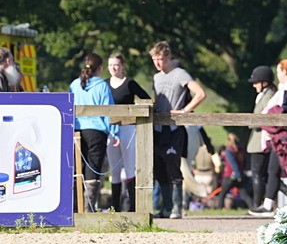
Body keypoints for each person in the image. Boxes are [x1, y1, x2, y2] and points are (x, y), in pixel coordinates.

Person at [149, 41, 207, 219]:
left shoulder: (180, 74)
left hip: (174, 128)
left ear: (167, 57)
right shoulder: (156, 77)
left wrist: (184, 111)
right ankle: (165, 208)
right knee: (159, 169)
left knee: (173, 167)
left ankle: (176, 207)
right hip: (158, 127)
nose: (158, 63)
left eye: (160, 59)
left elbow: (200, 93)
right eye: (154, 59)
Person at [250, 59, 287, 215]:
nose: (278, 75)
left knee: (286, 170)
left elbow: (285, 110)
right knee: (275, 170)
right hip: (286, 134)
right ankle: (269, 204)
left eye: (279, 71)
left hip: (284, 135)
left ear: (283, 72)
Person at [69, 53, 118, 212]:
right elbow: (109, 111)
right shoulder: (102, 86)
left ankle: (75, 206)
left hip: (77, 130)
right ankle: (89, 207)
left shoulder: (75, 84)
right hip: (96, 131)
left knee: (77, 167)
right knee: (93, 168)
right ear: (100, 68)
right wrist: (114, 132)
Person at [106, 53, 151, 212]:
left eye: (116, 64)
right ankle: (115, 208)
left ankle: (133, 207)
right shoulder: (105, 84)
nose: (113, 68)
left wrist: (136, 112)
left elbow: (146, 99)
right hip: (111, 130)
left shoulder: (129, 83)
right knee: (114, 170)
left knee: (130, 168)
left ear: (122, 66)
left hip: (128, 128)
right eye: (111, 65)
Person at [245, 65, 276, 210]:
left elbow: (262, 115)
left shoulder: (269, 95)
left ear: (265, 82)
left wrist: (251, 122)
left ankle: (257, 205)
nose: (254, 85)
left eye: (256, 82)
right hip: (257, 138)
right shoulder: (263, 95)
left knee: (258, 173)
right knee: (262, 174)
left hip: (260, 139)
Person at [214, 133, 247, 208]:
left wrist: (237, 174)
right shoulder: (240, 150)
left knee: (222, 193)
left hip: (229, 175)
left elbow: (233, 163)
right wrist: (240, 174)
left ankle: (219, 208)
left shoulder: (229, 150)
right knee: (244, 193)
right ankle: (253, 206)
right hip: (239, 174)